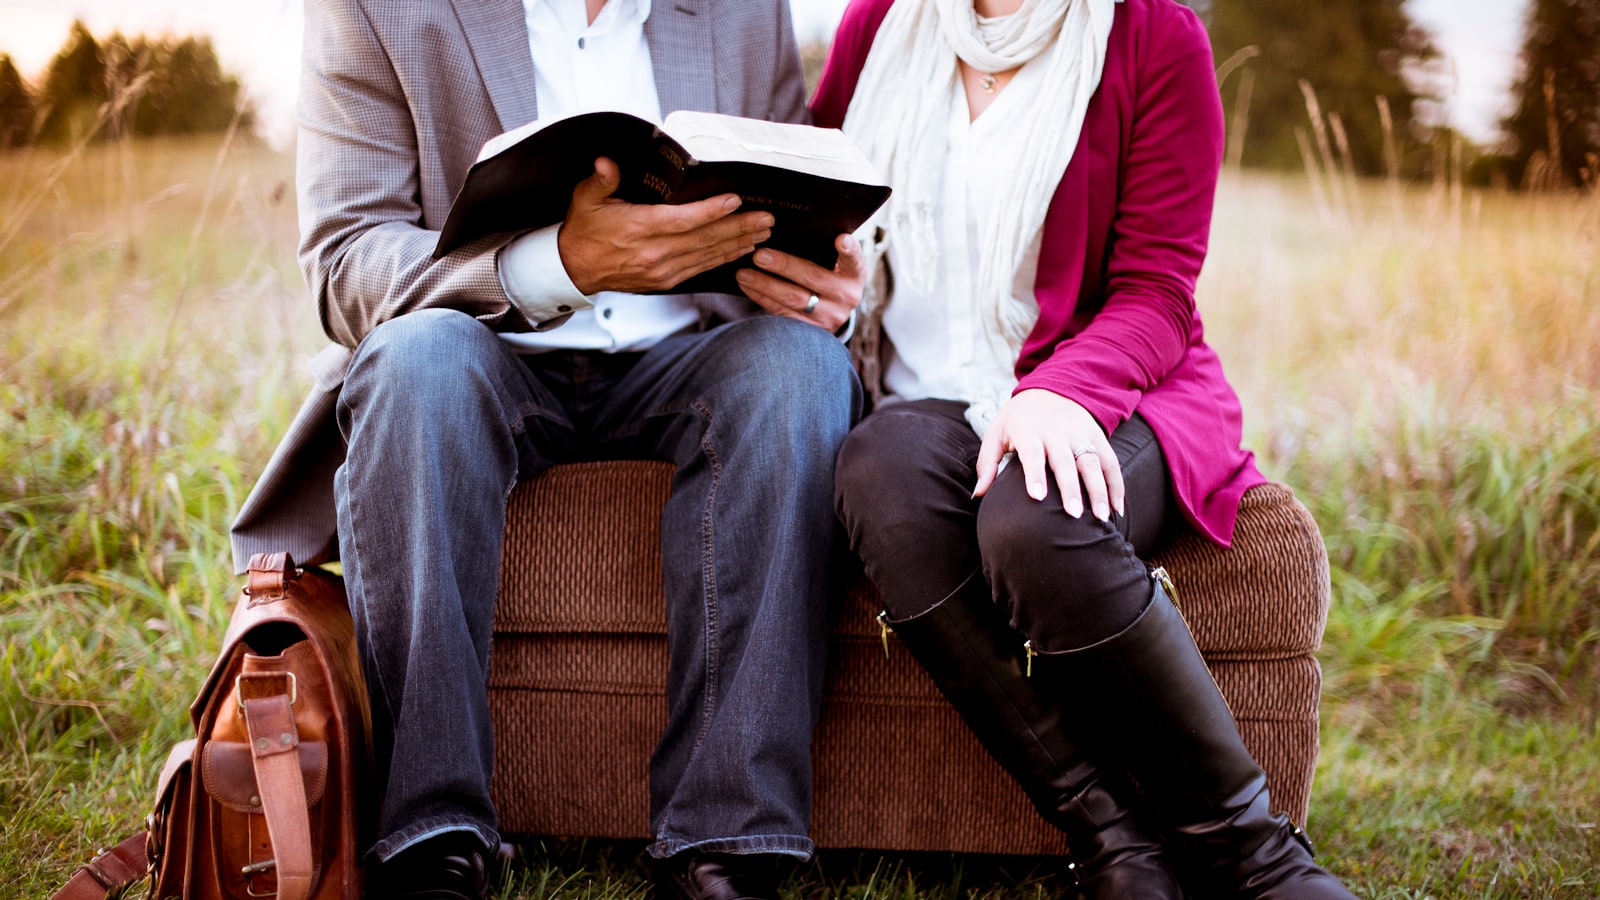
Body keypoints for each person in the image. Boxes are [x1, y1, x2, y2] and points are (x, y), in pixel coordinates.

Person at [230, 2, 865, 898]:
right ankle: (431, 840)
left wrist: (815, 286)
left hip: (690, 354)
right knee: (417, 364)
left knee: (800, 370)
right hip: (476, 346)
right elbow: (346, 259)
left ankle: (727, 844)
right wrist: (562, 263)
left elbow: (780, 207)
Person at [816, 0, 1359, 897]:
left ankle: (1251, 851)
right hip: (922, 403)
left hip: (1115, 385)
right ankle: (1117, 843)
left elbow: (1158, 286)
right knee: (877, 473)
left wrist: (1060, 393)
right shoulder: (877, 26)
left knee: (1035, 517)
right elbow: (814, 208)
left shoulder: (1154, 34)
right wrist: (810, 281)